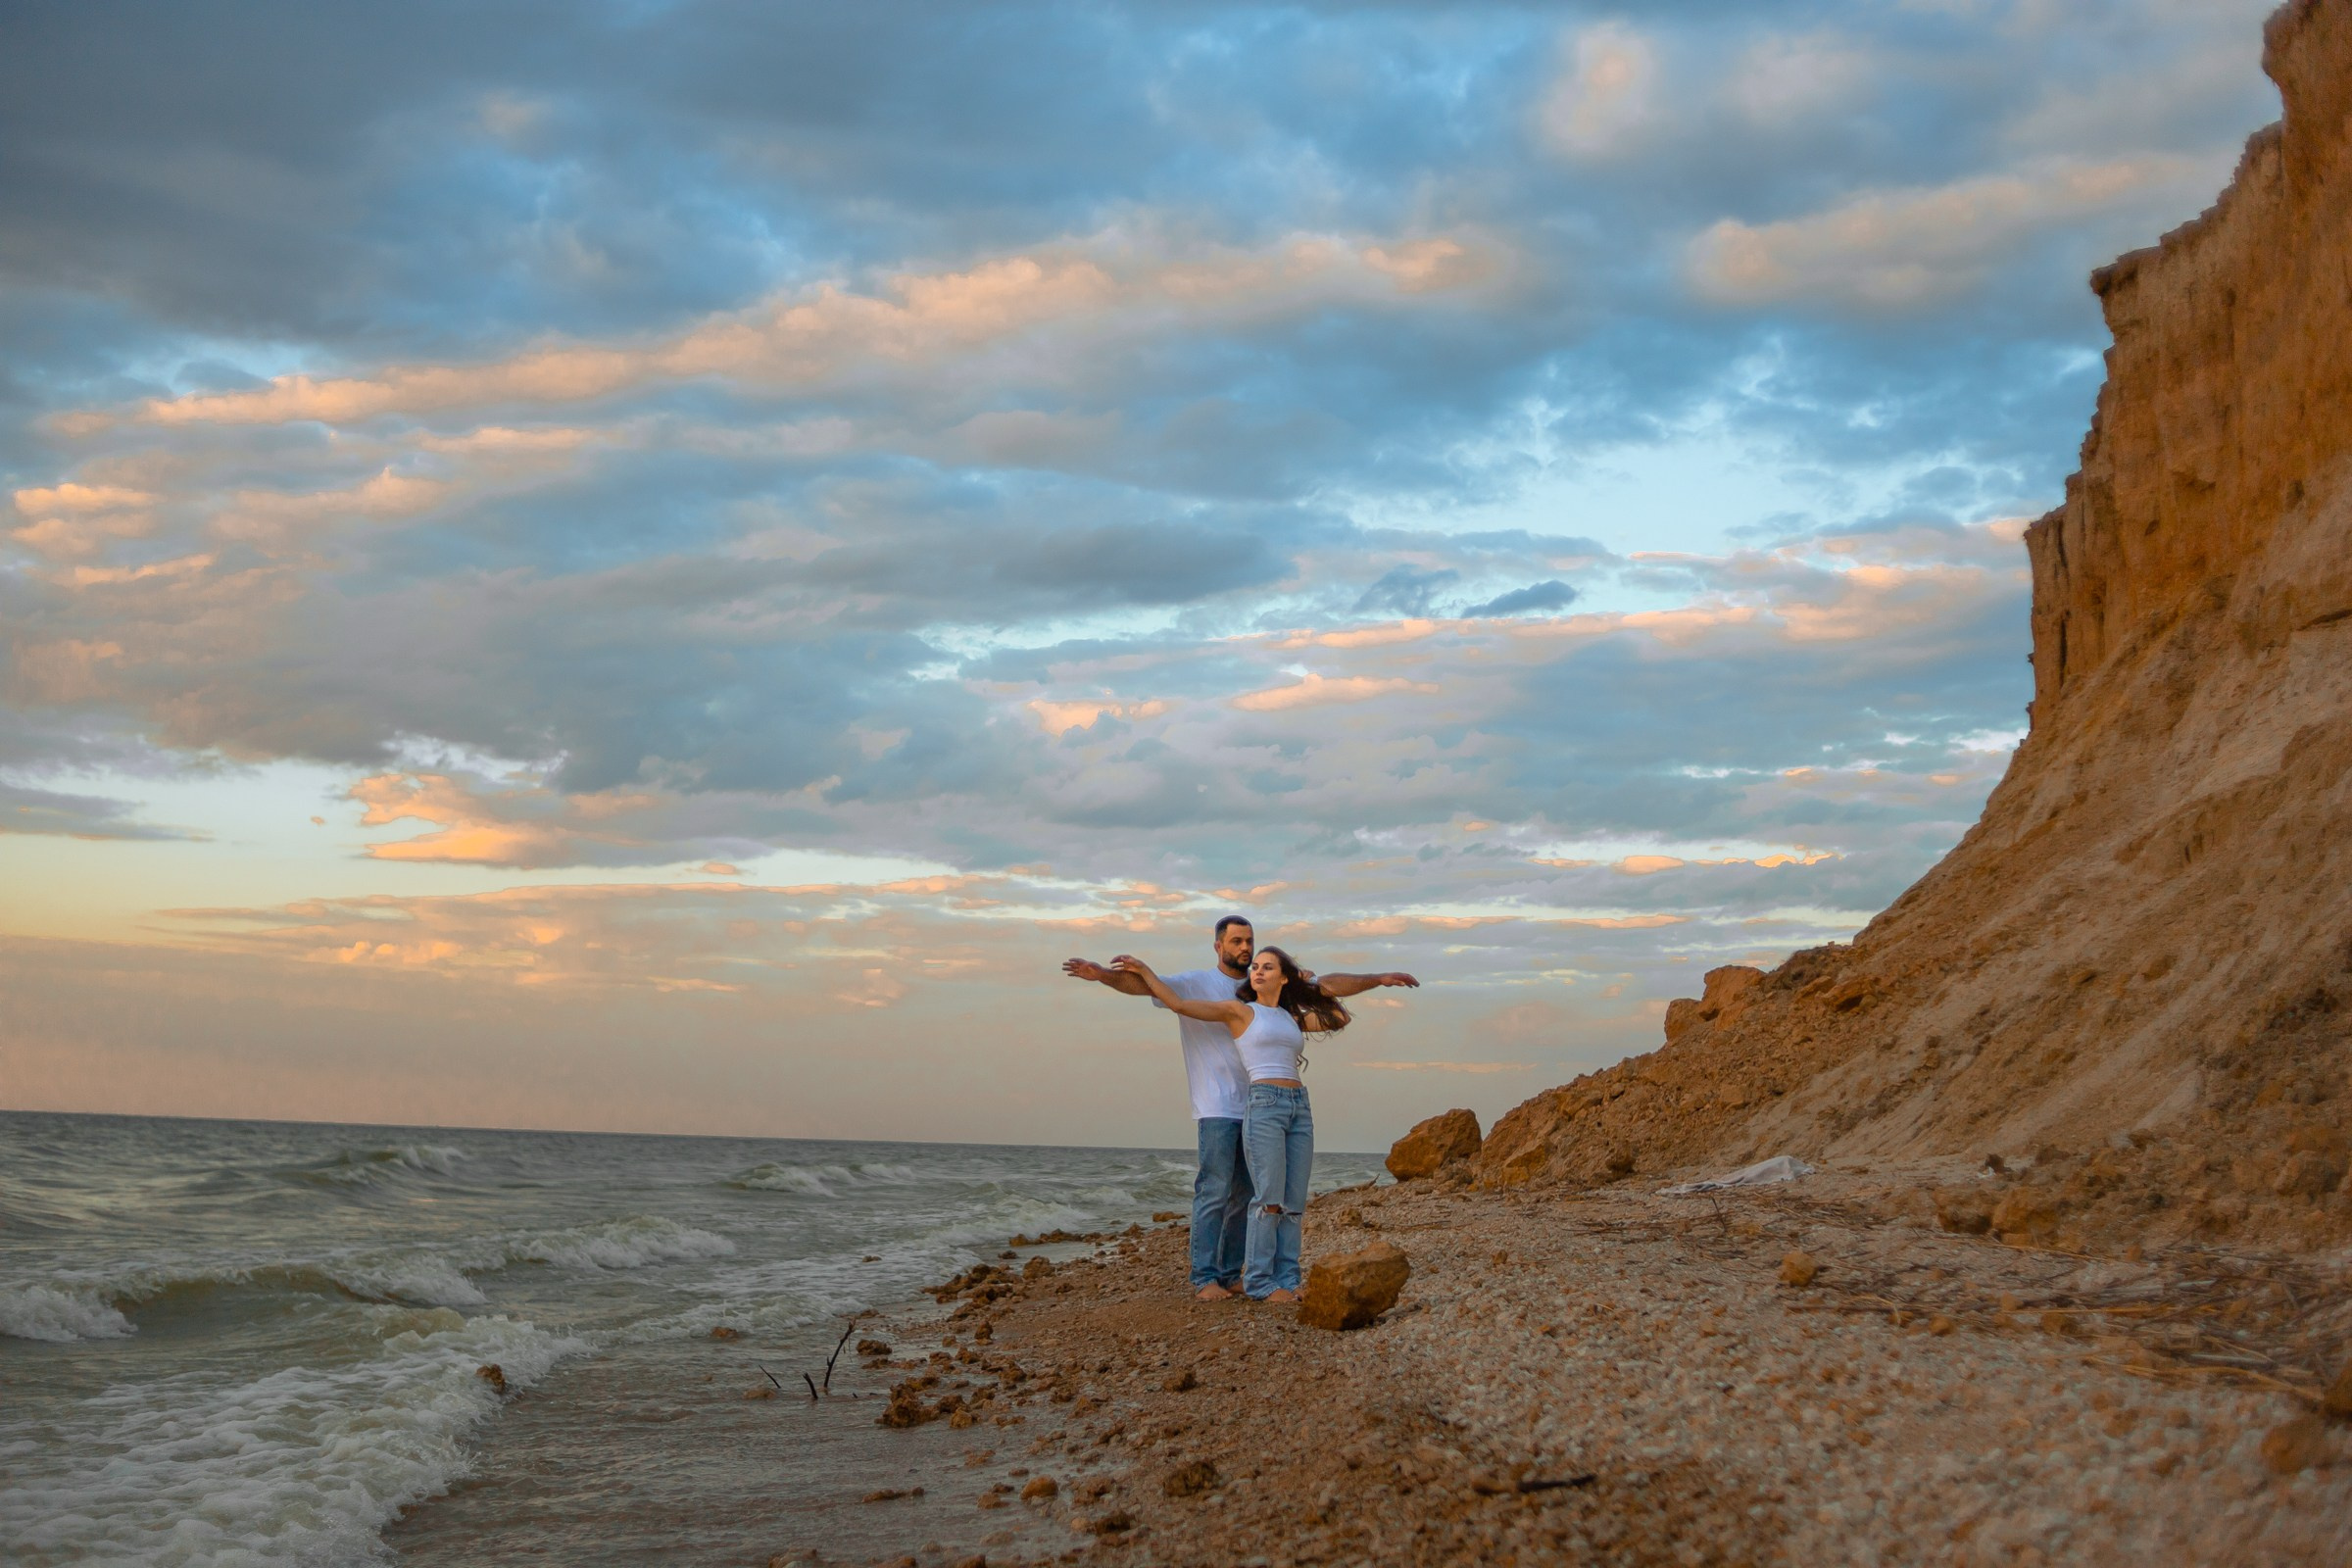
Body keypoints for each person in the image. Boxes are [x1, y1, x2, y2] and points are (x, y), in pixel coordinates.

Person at [1064, 917, 1416, 1300]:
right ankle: (1205, 1278)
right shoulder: (1214, 991)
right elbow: (1156, 992)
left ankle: (1234, 1273)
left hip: (1269, 1106)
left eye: (1250, 942)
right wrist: (1103, 975)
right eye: (1237, 942)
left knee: (1248, 1194)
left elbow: (1334, 1008)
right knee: (1216, 1191)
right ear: (1218, 946)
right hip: (1218, 1102)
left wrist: (1375, 978)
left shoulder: (1273, 1002)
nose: (1246, 949)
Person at [1111, 946, 1347, 1302]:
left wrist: (1308, 984)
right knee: (1266, 1198)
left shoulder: (1290, 1017)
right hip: (1264, 1103)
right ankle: (1259, 1281)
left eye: (1268, 967)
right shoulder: (1240, 1011)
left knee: (1293, 1202)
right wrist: (1145, 971)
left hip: (1299, 1106)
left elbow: (1338, 1018)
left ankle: (1288, 1278)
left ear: (1283, 976)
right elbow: (1179, 1004)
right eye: (1255, 967)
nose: (1258, 971)